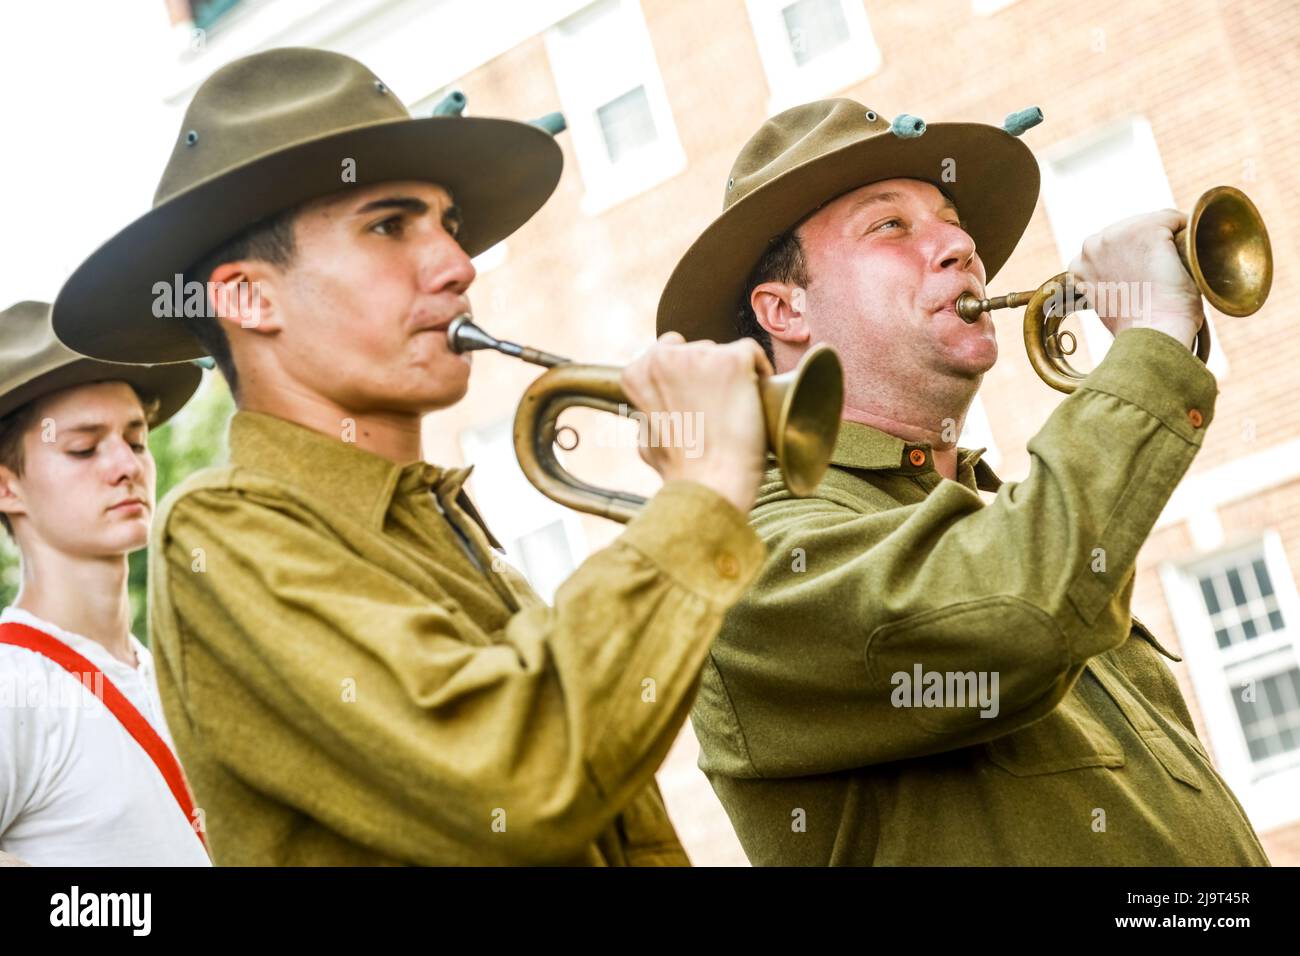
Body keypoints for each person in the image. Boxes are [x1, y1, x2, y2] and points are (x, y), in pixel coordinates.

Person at [51, 47, 773, 866]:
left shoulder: (437, 519)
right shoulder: (219, 534)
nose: (459, 266)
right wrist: (700, 499)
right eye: (390, 226)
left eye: (450, 226)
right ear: (248, 298)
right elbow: (518, 777)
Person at [658, 98, 1271, 865]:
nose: (959, 243)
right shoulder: (747, 546)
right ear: (785, 310)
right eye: (891, 226)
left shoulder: (996, 514)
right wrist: (1149, 344)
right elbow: (1016, 620)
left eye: (950, 219)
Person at [0, 300, 208, 866]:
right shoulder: (11, 683)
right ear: (6, 487)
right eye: (83, 447)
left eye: (136, 440)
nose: (127, 465)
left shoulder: (174, 679)